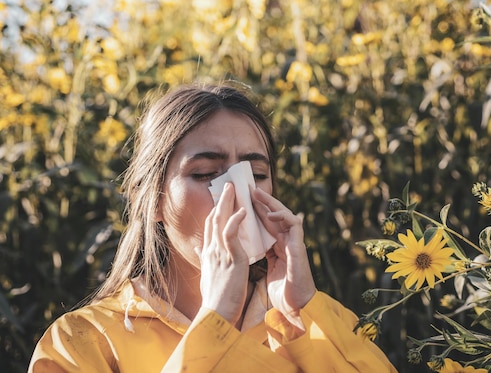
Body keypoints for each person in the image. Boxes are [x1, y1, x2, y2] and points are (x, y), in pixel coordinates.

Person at [28, 83, 397, 372]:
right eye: (205, 174)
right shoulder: (81, 341)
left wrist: (304, 310)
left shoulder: (316, 319)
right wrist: (215, 318)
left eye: (256, 174)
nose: (236, 193)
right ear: (152, 199)